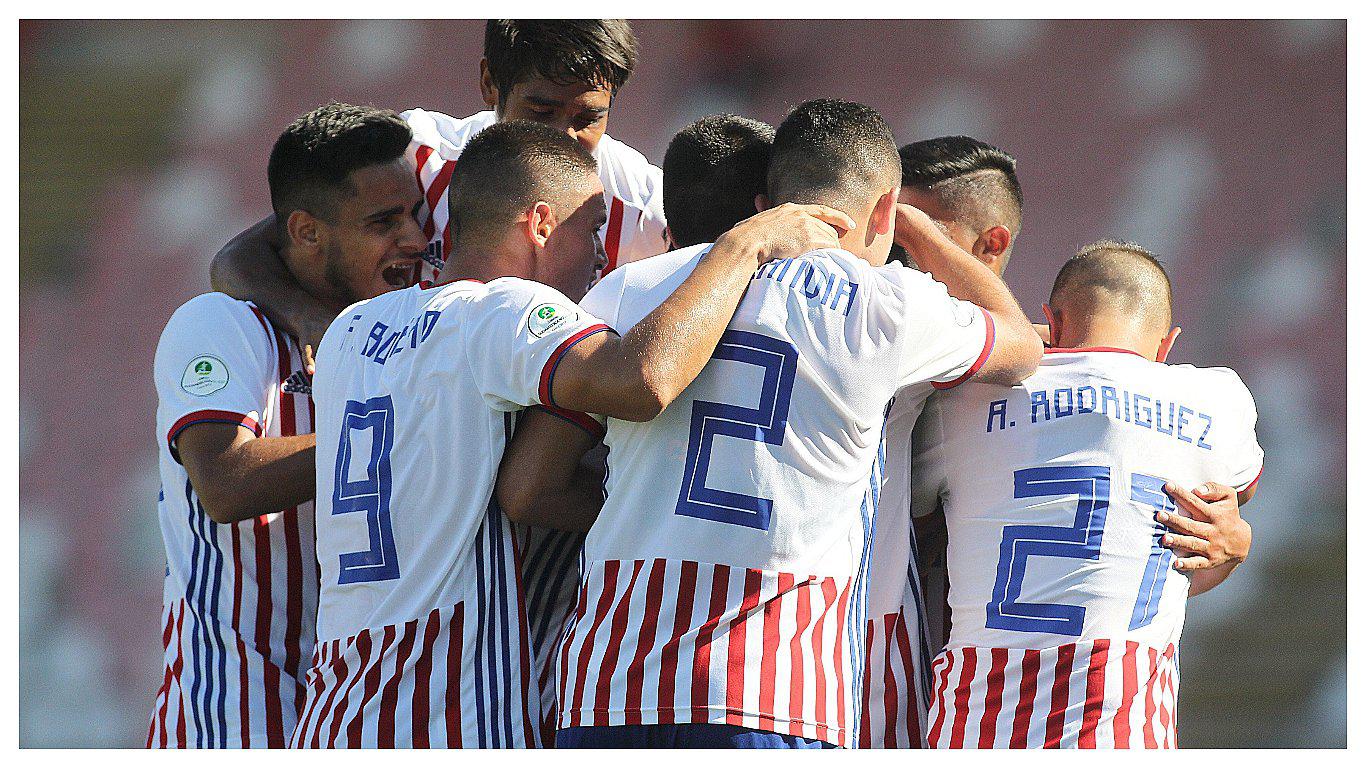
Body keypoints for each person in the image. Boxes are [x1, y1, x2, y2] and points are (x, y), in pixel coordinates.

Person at [497, 98, 1044, 749]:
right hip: (774, 691)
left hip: (609, 688)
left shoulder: (633, 287)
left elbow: (528, 488)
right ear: (883, 210)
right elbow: (1021, 347)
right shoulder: (891, 308)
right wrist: (920, 232)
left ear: (767, 202)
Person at [292, 119, 849, 748]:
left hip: (334, 711)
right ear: (540, 225)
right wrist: (742, 247)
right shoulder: (505, 311)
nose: (596, 258)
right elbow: (643, 381)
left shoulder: (351, 331)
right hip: (445, 713)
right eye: (591, 232)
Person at [145, 103, 426, 748]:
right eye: (383, 222)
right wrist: (406, 438)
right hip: (231, 708)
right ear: (305, 230)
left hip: (351, 708)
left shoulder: (398, 335)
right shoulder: (220, 326)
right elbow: (226, 482)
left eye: (412, 214)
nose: (413, 240)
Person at [911, 241, 1262, 749]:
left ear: (1051, 322)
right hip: (1122, 721)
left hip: (978, 715)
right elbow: (1240, 493)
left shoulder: (968, 396)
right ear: (1167, 345)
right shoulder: (1217, 399)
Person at [515, 112, 779, 746]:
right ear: (769, 209)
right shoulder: (844, 307)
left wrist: (640, 514)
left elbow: (528, 487)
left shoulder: (618, 296)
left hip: (614, 673)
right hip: (767, 680)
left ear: (665, 219)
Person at [209, 19, 667, 352]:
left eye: (588, 118)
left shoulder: (646, 210)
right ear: (490, 84)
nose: (559, 137)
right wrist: (322, 330)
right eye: (540, 112)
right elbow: (240, 258)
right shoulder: (412, 159)